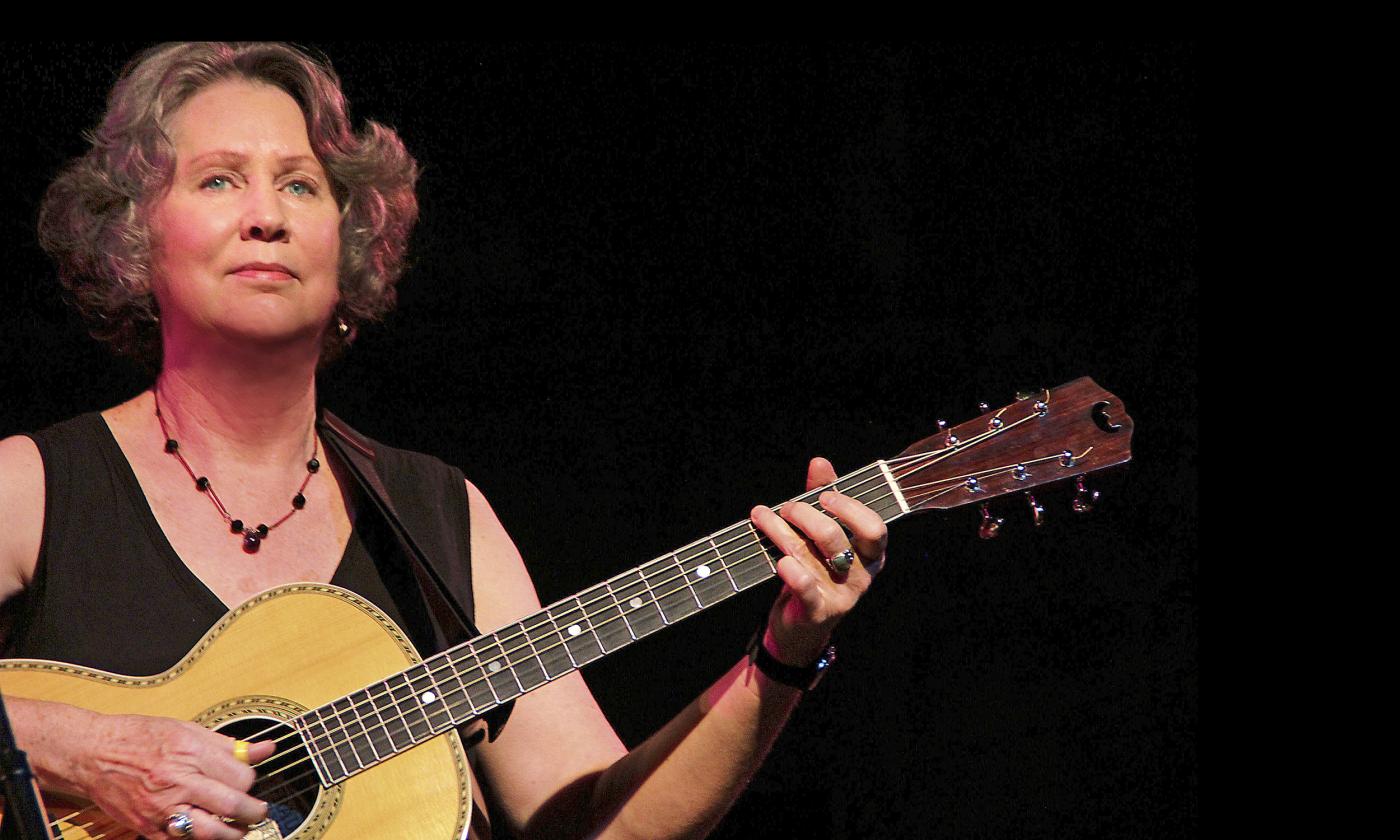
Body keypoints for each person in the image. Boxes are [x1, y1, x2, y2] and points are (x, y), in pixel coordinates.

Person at [0, 42, 885, 840]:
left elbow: (592, 824)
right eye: (220, 180)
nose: (266, 216)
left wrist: (783, 658)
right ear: (133, 237)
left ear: (348, 248)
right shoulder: (35, 487)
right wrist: (83, 748)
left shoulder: (436, 515)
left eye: (301, 184)